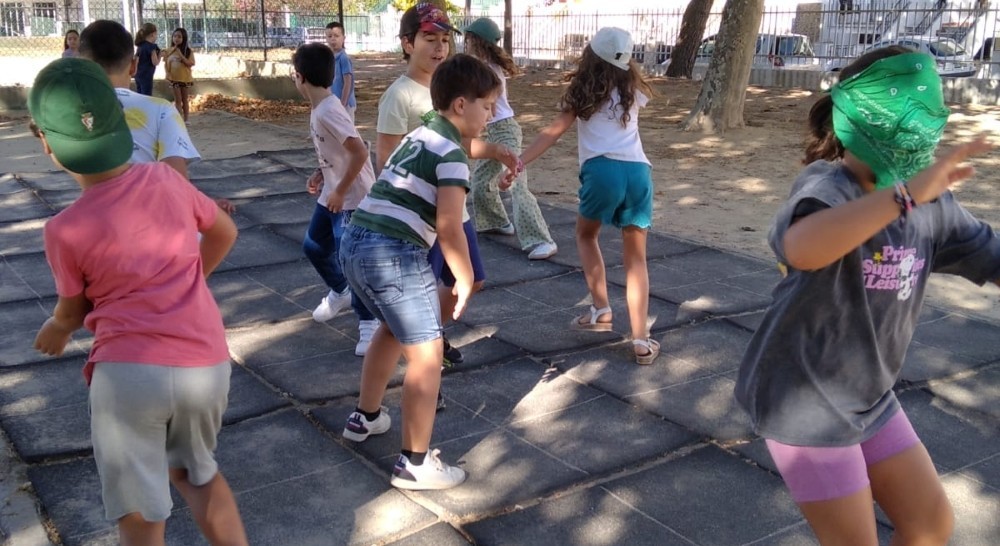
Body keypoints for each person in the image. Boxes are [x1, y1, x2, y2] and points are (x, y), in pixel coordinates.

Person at [734, 46, 995, 545]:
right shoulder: (828, 186)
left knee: (929, 523)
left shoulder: (934, 205)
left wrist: (917, 196)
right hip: (802, 397)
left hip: (867, 394)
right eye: (898, 111)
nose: (912, 127)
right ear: (855, 118)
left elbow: (989, 253)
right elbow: (803, 248)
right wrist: (904, 196)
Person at [28, 57, 247, 546]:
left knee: (140, 511)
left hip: (128, 376)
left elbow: (73, 309)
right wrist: (189, 280)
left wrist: (58, 328)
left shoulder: (64, 230)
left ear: (46, 143)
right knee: (198, 474)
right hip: (205, 365)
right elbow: (224, 232)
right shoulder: (168, 181)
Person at [339, 53, 500, 490]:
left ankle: (366, 416)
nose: (491, 115)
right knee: (427, 355)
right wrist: (464, 277)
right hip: (392, 253)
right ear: (462, 105)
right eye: (487, 106)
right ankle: (414, 463)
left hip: (355, 243)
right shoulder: (452, 155)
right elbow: (449, 224)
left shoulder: (421, 136)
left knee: (391, 331)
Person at [375, 2, 518, 366]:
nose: (439, 47)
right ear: (407, 43)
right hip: (421, 215)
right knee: (421, 289)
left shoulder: (454, 86)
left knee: (471, 279)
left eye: (444, 40)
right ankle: (422, 347)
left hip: (453, 209)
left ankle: (429, 333)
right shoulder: (399, 95)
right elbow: (388, 158)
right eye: (430, 39)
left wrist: (497, 151)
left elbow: (460, 145)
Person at [521, 27, 659, 365]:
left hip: (602, 170)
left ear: (589, 56)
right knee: (636, 259)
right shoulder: (632, 90)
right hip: (638, 172)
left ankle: (601, 309)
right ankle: (641, 340)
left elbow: (552, 133)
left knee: (586, 235)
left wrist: (520, 162)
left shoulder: (580, 93)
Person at [80, 20, 233, 212]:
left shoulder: (73, 114)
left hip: (99, 216)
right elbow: (176, 178)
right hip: (153, 216)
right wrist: (204, 207)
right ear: (133, 66)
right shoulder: (162, 110)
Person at [291, 42, 379, 356]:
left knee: (350, 260)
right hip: (333, 192)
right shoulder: (321, 108)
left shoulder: (329, 110)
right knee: (314, 246)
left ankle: (369, 322)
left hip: (351, 197)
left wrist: (341, 191)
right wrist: (321, 173)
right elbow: (336, 151)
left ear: (300, 77)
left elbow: (360, 152)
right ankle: (340, 290)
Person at [462, 17, 558, 261]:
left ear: (479, 42)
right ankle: (495, 221)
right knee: (481, 180)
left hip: (505, 130)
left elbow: (487, 102)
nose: (467, 44)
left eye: (470, 40)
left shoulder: (487, 70)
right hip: (494, 130)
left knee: (516, 182)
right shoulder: (483, 66)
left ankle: (542, 240)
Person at [325, 21, 356, 122]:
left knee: (347, 128)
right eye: (330, 36)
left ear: (343, 38)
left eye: (336, 36)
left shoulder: (343, 58)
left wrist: (343, 103)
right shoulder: (328, 58)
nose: (333, 39)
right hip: (333, 102)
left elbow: (348, 82)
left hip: (345, 104)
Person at [163, 27, 196, 121]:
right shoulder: (169, 50)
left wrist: (180, 55)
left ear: (184, 38)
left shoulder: (188, 51)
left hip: (185, 79)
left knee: (184, 100)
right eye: (174, 36)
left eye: (179, 37)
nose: (176, 38)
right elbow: (165, 62)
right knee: (177, 100)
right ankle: (179, 120)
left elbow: (190, 63)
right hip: (174, 79)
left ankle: (186, 119)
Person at [133, 22, 160, 96]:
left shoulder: (140, 46)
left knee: (140, 94)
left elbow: (136, 58)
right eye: (156, 34)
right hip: (146, 76)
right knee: (146, 95)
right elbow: (155, 62)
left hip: (138, 75)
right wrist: (160, 55)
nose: (156, 36)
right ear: (152, 34)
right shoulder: (152, 47)